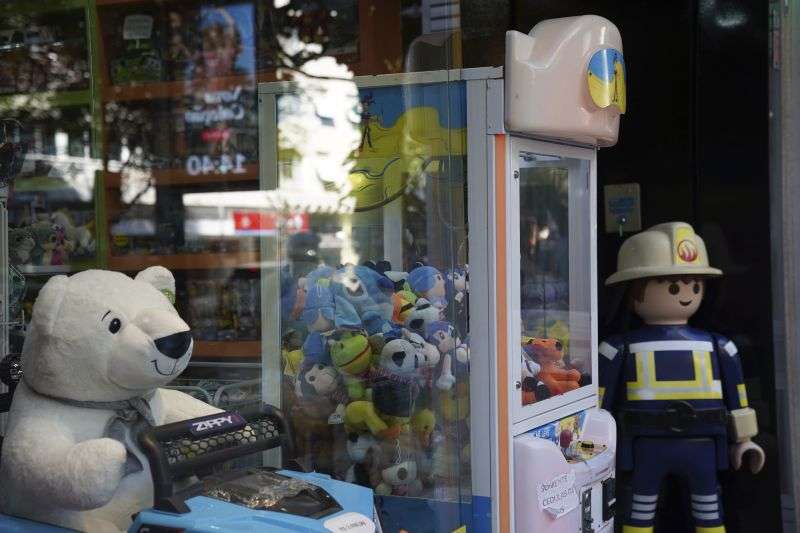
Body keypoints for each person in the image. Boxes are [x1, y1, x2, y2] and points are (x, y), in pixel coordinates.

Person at [599, 221, 764, 533]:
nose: (685, 294)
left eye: (694, 285)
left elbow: (738, 397)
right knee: (639, 510)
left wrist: (745, 440)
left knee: (709, 510)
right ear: (633, 290)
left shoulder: (720, 346)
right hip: (645, 445)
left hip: (702, 444)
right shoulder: (618, 348)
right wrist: (595, 443)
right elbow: (600, 402)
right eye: (672, 287)